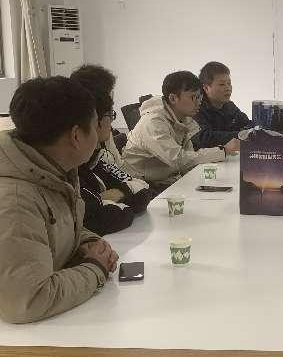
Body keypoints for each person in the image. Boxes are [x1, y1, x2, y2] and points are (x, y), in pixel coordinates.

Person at [0, 77, 118, 323]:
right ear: (76, 136)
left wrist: (88, 243)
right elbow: (27, 301)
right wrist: (96, 268)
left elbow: (53, 228)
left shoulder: (51, 167)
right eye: (95, 124)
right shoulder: (16, 199)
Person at [70, 65, 153, 235]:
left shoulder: (96, 153)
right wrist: (107, 198)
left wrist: (116, 193)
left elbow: (142, 190)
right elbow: (97, 216)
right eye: (109, 114)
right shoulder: (71, 165)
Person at [122, 71, 242, 187]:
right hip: (141, 185)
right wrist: (223, 151)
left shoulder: (184, 118)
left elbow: (188, 159)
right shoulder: (152, 123)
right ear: (173, 98)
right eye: (194, 97)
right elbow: (178, 160)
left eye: (200, 97)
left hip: (168, 179)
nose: (199, 102)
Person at [192, 61, 254, 149]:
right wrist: (240, 135)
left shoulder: (229, 106)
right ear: (206, 88)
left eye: (229, 83)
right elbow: (204, 138)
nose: (228, 88)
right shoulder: (196, 108)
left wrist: (253, 131)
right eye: (222, 84)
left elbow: (247, 124)